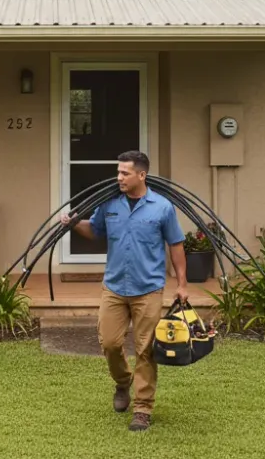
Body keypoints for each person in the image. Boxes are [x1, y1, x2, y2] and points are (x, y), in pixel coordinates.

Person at [60, 150, 187, 432]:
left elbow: (176, 245)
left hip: (148, 289)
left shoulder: (162, 207)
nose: (119, 177)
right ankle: (123, 382)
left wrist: (182, 285)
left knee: (145, 350)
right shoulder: (109, 204)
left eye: (124, 173)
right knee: (109, 343)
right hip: (115, 287)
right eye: (118, 172)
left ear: (141, 175)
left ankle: (142, 409)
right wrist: (72, 224)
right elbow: (95, 231)